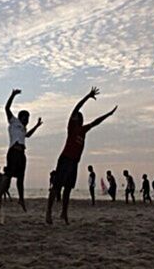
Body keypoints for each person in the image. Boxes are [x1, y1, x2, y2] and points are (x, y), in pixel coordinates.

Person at [46, 87, 117, 224]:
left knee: (68, 189)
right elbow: (76, 107)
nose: (79, 116)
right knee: (56, 187)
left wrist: (108, 114)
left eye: (80, 116)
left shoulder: (83, 130)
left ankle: (64, 213)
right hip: (65, 159)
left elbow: (95, 122)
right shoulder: (72, 126)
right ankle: (48, 212)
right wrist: (88, 96)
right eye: (78, 116)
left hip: (74, 163)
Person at [0, 89, 43, 211]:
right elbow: (6, 108)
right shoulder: (13, 121)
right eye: (26, 117)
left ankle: (21, 199)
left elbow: (28, 135)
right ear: (21, 117)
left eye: (28, 118)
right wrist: (12, 95)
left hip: (22, 153)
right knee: (8, 176)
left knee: (20, 178)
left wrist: (37, 126)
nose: (27, 120)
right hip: (13, 152)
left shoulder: (23, 128)